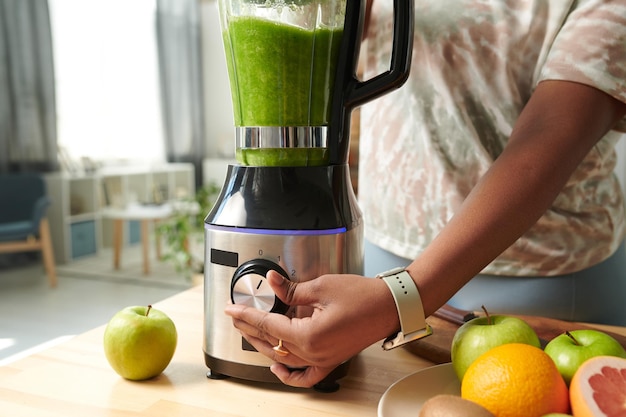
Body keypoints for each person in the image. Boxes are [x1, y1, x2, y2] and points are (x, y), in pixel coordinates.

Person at [225, 0, 626, 388]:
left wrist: (401, 298)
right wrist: (389, 296)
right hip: (373, 277)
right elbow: (331, 28)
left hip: (541, 291)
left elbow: (551, 137)